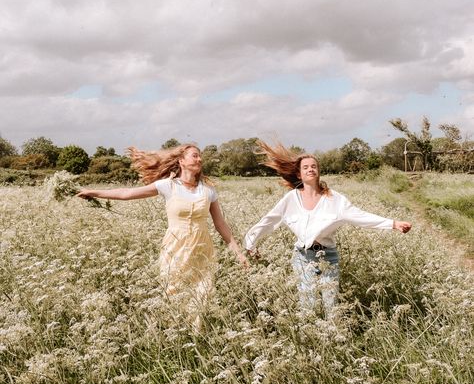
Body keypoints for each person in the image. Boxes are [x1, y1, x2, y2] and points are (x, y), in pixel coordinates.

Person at [77, 144, 248, 330]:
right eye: (194, 156)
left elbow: (220, 224)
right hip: (174, 249)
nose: (199, 160)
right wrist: (94, 192)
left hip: (202, 251)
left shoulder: (208, 191)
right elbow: (127, 193)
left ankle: (198, 338)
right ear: (181, 161)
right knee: (174, 295)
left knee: (202, 298)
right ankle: (175, 336)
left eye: (200, 157)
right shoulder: (168, 186)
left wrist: (238, 253)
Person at [244, 141, 411, 318]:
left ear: (318, 172)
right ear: (299, 174)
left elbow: (360, 216)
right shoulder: (291, 199)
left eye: (314, 166)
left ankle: (333, 335)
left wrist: (393, 224)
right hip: (302, 256)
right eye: (306, 167)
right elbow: (269, 220)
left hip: (328, 256)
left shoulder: (334, 199)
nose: (310, 169)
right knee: (307, 303)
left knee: (331, 306)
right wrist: (250, 242)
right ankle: (312, 339)